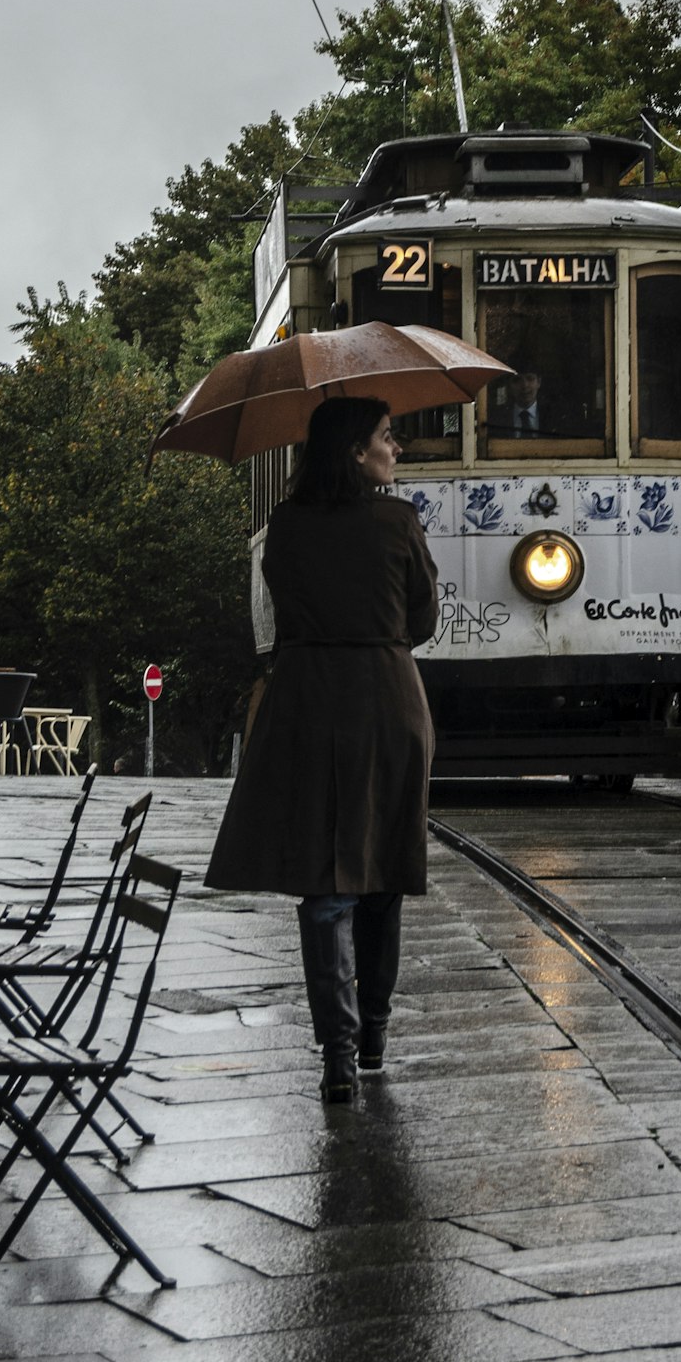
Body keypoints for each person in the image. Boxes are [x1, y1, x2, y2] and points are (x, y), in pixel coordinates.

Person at [205, 397, 439, 1103]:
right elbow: (423, 619)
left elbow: (281, 605)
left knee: (325, 886)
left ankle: (335, 1058)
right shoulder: (397, 522)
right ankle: (373, 1034)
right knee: (382, 876)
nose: (395, 448)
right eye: (386, 437)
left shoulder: (286, 526)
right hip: (386, 701)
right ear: (354, 452)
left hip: (306, 703)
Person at [488, 358, 547, 436]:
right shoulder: (496, 418)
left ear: (539, 382)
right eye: (517, 380)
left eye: (530, 379)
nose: (525, 385)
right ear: (509, 385)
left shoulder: (553, 415)